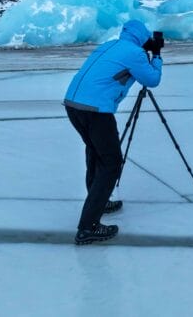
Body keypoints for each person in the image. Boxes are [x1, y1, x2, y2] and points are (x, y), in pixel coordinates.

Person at [63, 20, 163, 245]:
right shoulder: (135, 53)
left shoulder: (109, 45)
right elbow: (152, 79)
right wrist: (156, 56)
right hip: (96, 111)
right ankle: (88, 227)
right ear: (141, 37)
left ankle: (100, 202)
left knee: (95, 154)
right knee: (111, 163)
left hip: (73, 105)